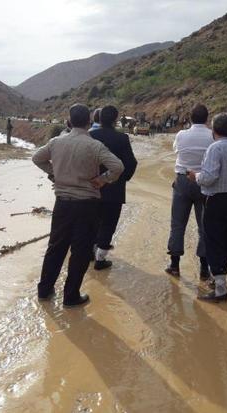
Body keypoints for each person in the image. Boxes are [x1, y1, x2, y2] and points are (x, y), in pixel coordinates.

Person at [32, 104, 124, 307]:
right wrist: (102, 179)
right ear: (89, 121)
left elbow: (36, 158)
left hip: (62, 203)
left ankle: (44, 290)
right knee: (80, 252)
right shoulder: (94, 145)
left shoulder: (56, 142)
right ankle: (71, 296)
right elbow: (118, 166)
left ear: (70, 121)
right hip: (86, 205)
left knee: (55, 248)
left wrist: (55, 173)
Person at [187, 113, 227, 302]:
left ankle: (220, 289)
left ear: (213, 130)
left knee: (212, 241)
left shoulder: (215, 148)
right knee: (226, 239)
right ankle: (220, 279)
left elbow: (209, 177)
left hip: (216, 200)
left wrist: (195, 176)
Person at [165, 104, 214, 280]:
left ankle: (175, 265)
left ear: (190, 118)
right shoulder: (212, 136)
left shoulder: (181, 135)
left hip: (183, 180)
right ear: (207, 118)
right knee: (204, 226)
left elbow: (177, 151)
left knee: (178, 224)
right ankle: (203, 269)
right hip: (204, 182)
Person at [90, 106, 138, 270]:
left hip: (91, 187)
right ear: (115, 120)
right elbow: (131, 163)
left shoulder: (90, 136)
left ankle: (90, 252)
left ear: (98, 118)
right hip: (114, 188)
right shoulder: (122, 138)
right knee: (109, 223)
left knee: (92, 222)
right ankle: (100, 259)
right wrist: (121, 179)